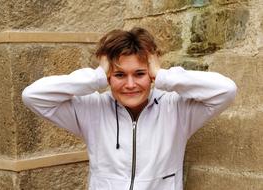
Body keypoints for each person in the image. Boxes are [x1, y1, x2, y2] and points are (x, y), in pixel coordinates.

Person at [22, 27, 237, 190]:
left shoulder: (177, 109)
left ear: (151, 72)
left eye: (140, 73)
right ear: (108, 75)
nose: (131, 84)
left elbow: (226, 90)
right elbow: (33, 96)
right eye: (119, 75)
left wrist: (164, 76)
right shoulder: (91, 109)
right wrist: (96, 77)